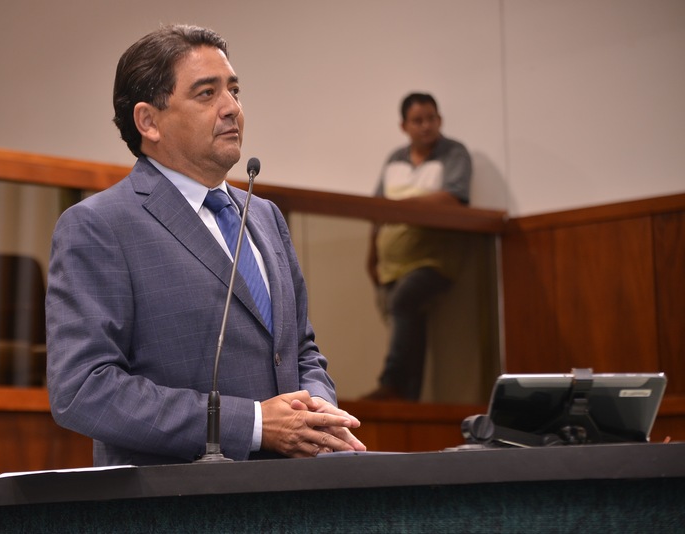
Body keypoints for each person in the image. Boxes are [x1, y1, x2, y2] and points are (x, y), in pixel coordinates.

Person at [45, 24, 366, 466]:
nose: (232, 108)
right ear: (148, 121)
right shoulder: (100, 226)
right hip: (179, 496)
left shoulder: (264, 216)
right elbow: (84, 389)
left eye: (234, 90)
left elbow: (300, 350)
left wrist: (316, 412)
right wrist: (253, 424)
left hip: (290, 490)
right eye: (206, 93)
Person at [362, 93, 472, 402]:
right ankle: (409, 399)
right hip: (392, 264)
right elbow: (377, 211)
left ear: (440, 120)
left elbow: (454, 198)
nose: (426, 126)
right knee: (411, 320)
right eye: (418, 120)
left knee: (404, 301)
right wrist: (371, 256)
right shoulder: (394, 159)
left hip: (434, 261)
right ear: (404, 126)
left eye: (431, 119)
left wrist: (402, 205)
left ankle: (390, 384)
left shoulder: (454, 153)